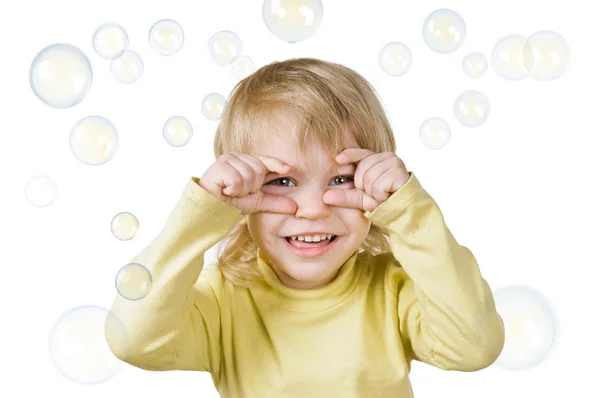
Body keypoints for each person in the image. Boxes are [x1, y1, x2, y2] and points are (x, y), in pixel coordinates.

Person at [105, 58, 505, 397]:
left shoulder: (394, 290)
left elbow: (474, 348)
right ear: (239, 196)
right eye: (281, 181)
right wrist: (203, 212)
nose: (312, 210)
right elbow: (133, 340)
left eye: (341, 179)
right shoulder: (221, 299)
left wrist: (409, 213)